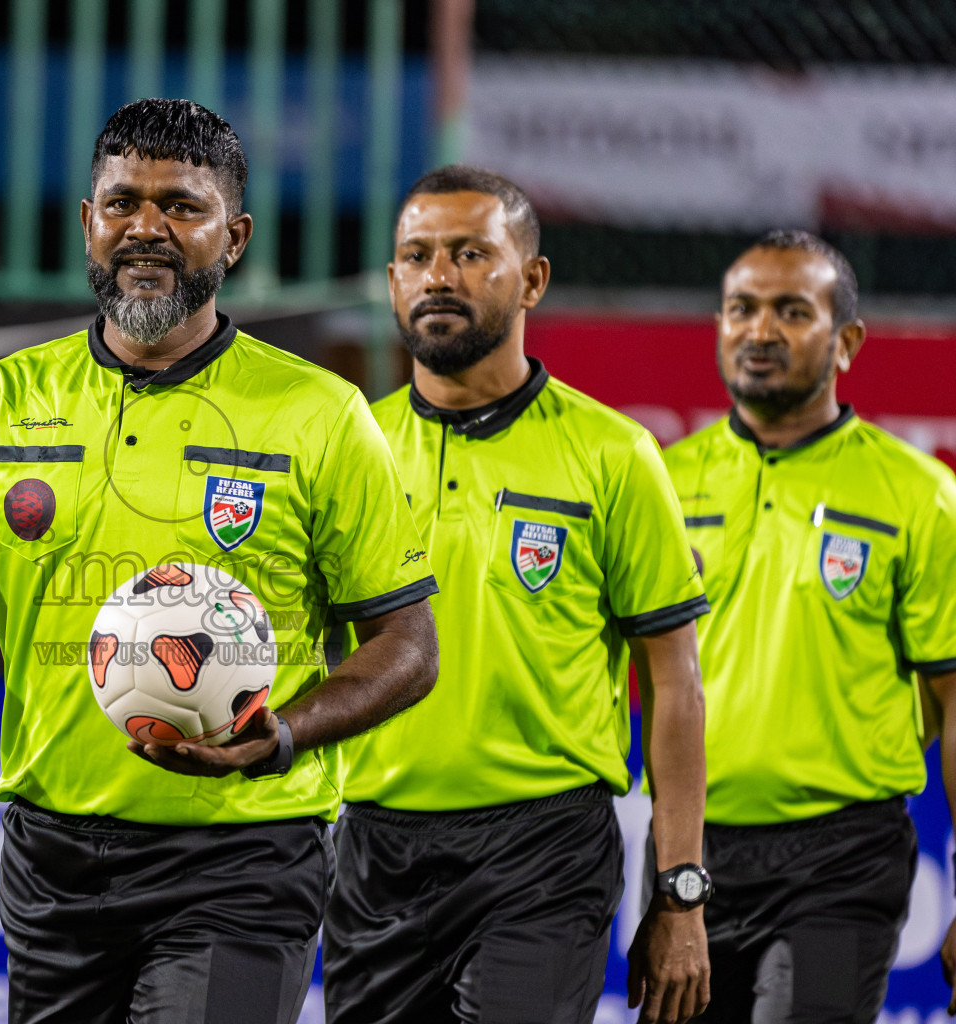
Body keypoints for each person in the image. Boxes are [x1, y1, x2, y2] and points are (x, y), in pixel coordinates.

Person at [0, 98, 439, 1024]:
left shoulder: (319, 413)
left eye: (182, 208)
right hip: (52, 861)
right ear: (87, 221)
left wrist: (290, 735)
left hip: (241, 853)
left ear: (234, 238)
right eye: (122, 202)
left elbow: (406, 644)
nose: (146, 227)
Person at [324, 165, 712, 1024]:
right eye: (417, 255)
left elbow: (677, 686)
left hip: (543, 851)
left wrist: (680, 891)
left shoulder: (615, 456)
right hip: (373, 848)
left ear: (531, 278)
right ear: (392, 281)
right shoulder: (347, 449)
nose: (439, 275)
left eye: (471, 253)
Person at [662, 230, 956, 1022]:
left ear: (847, 340)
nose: (761, 331)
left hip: (841, 857)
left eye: (793, 311)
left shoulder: (918, 496)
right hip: (688, 852)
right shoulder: (661, 485)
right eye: (742, 309)